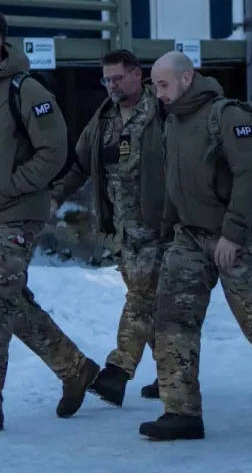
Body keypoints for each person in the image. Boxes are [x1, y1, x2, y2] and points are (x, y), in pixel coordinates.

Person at [139, 50, 252, 441]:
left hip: (235, 237)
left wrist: (234, 233)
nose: (158, 93)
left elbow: (250, 172)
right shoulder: (172, 121)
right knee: (172, 317)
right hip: (189, 236)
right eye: (155, 85)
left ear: (187, 78)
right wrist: (169, 228)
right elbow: (175, 179)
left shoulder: (227, 116)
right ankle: (181, 412)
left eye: (164, 84)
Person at [0, 7, 101, 436]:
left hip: (17, 217)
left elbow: (54, 150)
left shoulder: (26, 89)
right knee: (10, 302)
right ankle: (74, 368)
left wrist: (14, 186)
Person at [52, 49, 167, 406]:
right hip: (122, 232)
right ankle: (171, 376)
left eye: (117, 78)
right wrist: (55, 196)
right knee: (151, 304)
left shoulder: (162, 111)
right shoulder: (104, 119)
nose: (111, 86)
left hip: (160, 227)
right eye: (106, 80)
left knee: (141, 299)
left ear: (137, 74)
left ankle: (117, 372)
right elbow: (80, 164)